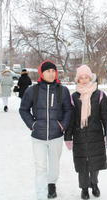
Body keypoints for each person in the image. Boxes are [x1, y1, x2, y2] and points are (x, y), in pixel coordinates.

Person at [19, 60, 72, 200]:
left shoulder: (63, 90)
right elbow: (23, 109)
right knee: (40, 167)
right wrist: (33, 124)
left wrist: (62, 125)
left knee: (54, 165)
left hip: (56, 135)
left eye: (53, 71)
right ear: (42, 73)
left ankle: (51, 184)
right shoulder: (32, 90)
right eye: (48, 71)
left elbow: (68, 110)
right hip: (38, 136)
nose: (51, 73)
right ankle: (41, 195)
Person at [64, 65, 107, 199]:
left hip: (96, 134)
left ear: (91, 77)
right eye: (81, 77)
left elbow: (105, 116)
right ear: (77, 79)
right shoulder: (73, 97)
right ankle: (84, 188)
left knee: (95, 163)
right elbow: (70, 118)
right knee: (82, 163)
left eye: (86, 77)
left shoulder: (100, 95)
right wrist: (68, 136)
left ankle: (94, 183)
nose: (84, 80)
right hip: (79, 135)